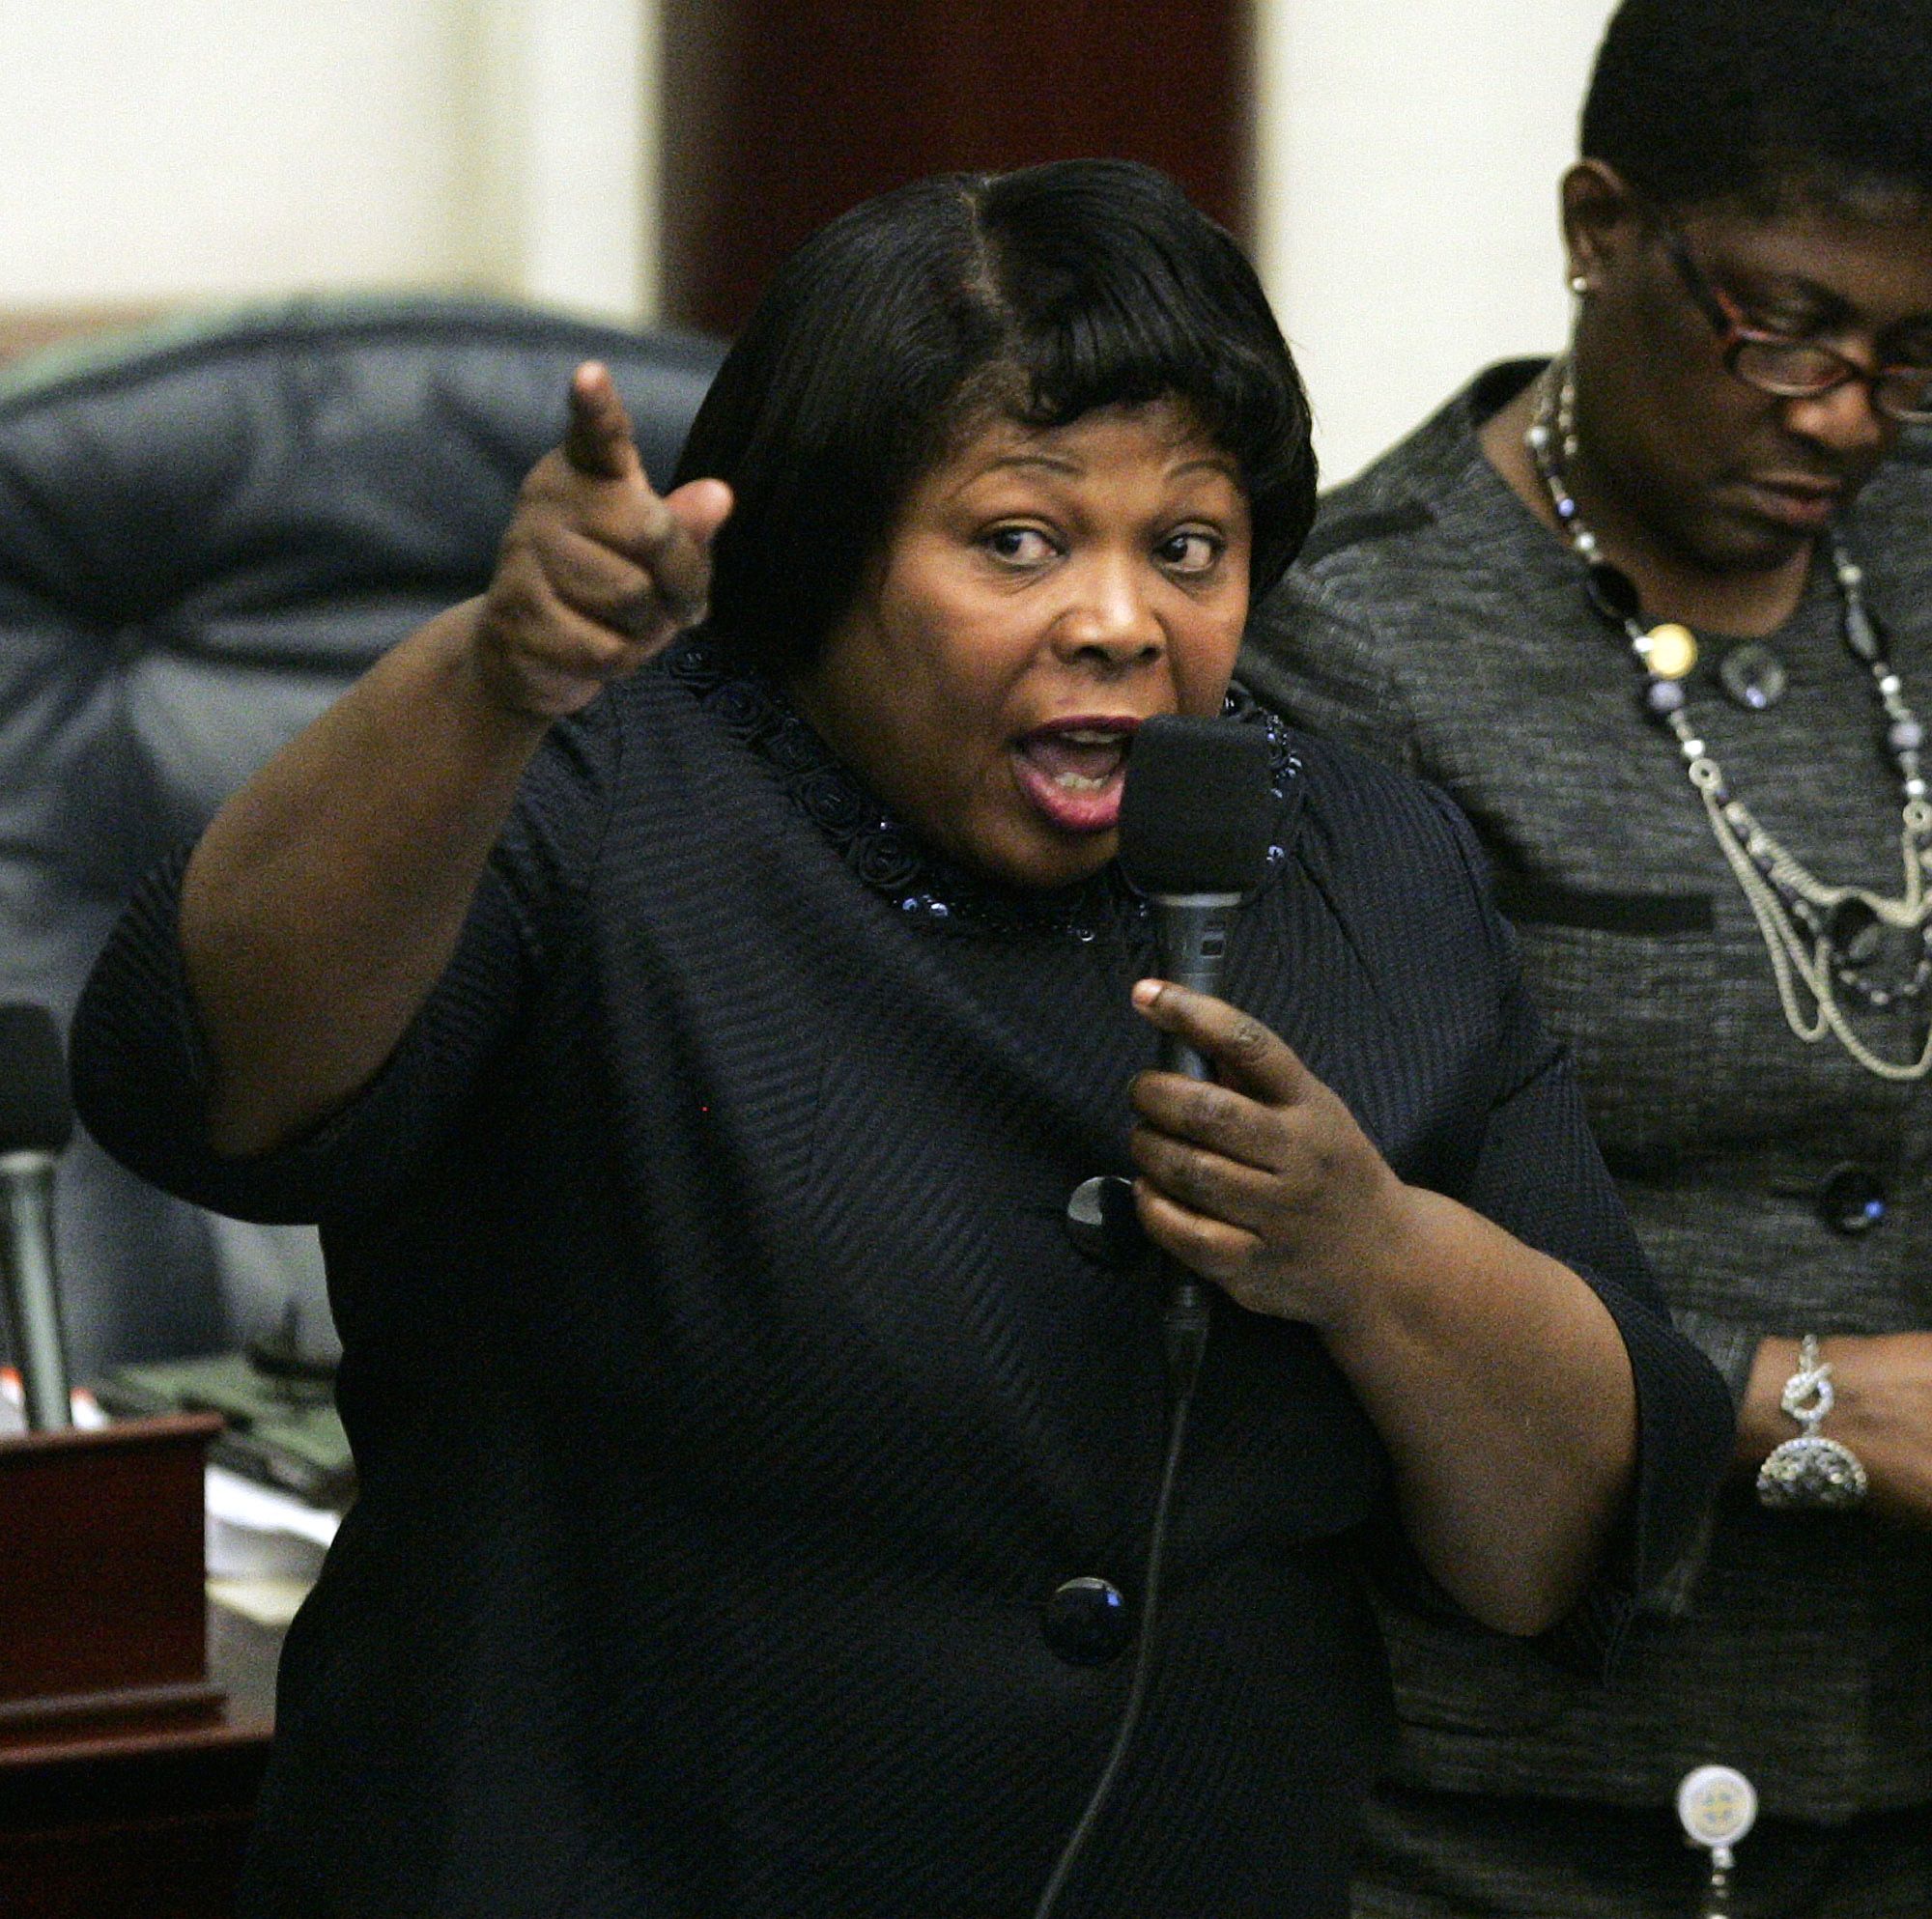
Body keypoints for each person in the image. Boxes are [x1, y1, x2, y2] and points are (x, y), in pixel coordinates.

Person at [71, 159, 1727, 1918]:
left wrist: (1373, 1257)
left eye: (1189, 547)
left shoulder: (1364, 866)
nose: (1117, 618)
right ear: (826, 549)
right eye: (1017, 541)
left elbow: (1555, 1546)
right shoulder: (592, 792)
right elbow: (201, 1088)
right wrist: (495, 673)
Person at [1243, 4, 1932, 1913]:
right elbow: (1319, 1252)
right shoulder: (1357, 646)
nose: (1845, 414)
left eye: (1912, 352)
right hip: (1528, 1786)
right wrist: (1819, 1405)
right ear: (1599, 224)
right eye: (1783, 327)